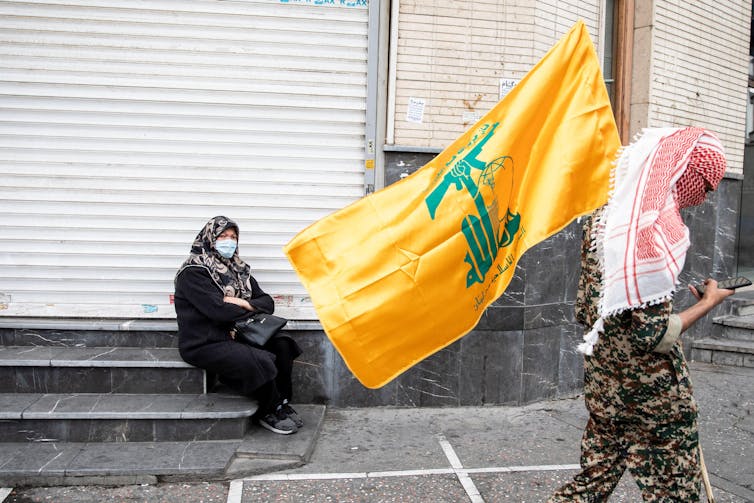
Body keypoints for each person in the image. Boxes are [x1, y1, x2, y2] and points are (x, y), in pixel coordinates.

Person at [549, 127, 734, 502]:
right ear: (684, 172)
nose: (704, 199)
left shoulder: (608, 218)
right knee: (676, 492)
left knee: (592, 481)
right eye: (707, 186)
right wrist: (708, 303)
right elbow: (653, 335)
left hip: (604, 383)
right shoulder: (650, 233)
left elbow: (589, 307)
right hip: (650, 398)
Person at [174, 215, 303, 435]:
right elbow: (218, 311)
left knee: (283, 345)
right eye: (223, 235)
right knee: (258, 359)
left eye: (233, 237)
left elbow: (268, 303)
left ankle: (280, 401)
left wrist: (242, 301)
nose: (229, 241)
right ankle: (268, 410)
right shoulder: (193, 272)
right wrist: (243, 306)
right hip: (204, 342)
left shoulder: (237, 270)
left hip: (239, 334)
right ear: (209, 239)